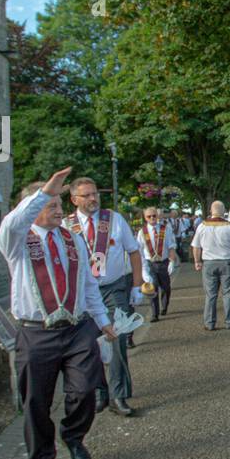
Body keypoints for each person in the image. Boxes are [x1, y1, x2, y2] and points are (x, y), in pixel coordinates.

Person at [0, 168, 117, 459]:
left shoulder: (71, 238)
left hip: (77, 328)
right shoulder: (18, 242)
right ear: (34, 209)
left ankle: (73, 435)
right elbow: (11, 224)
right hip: (36, 333)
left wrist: (102, 319)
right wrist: (43, 193)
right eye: (50, 204)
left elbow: (88, 283)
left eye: (58, 202)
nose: (58, 208)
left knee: (85, 390)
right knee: (36, 400)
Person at [66, 178, 143, 417]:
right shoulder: (67, 226)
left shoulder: (114, 219)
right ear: (74, 199)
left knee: (116, 340)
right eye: (86, 195)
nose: (93, 199)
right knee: (90, 344)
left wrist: (137, 285)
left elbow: (133, 251)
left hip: (114, 288)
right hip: (84, 294)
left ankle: (119, 395)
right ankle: (101, 391)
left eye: (95, 193)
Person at [191, 201, 230, 330]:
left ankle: (209, 323)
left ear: (211, 210)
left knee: (210, 294)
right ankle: (229, 321)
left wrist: (197, 261)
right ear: (224, 210)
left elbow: (196, 246)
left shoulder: (202, 226)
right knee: (229, 293)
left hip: (209, 263)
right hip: (227, 262)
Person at [137, 206, 178, 322]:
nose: (152, 218)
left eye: (154, 215)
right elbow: (139, 251)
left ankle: (164, 307)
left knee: (166, 287)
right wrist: (143, 269)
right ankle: (154, 314)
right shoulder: (142, 232)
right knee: (153, 287)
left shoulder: (166, 229)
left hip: (164, 262)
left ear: (157, 216)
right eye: (149, 216)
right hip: (150, 263)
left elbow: (171, 246)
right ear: (145, 218)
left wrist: (172, 261)